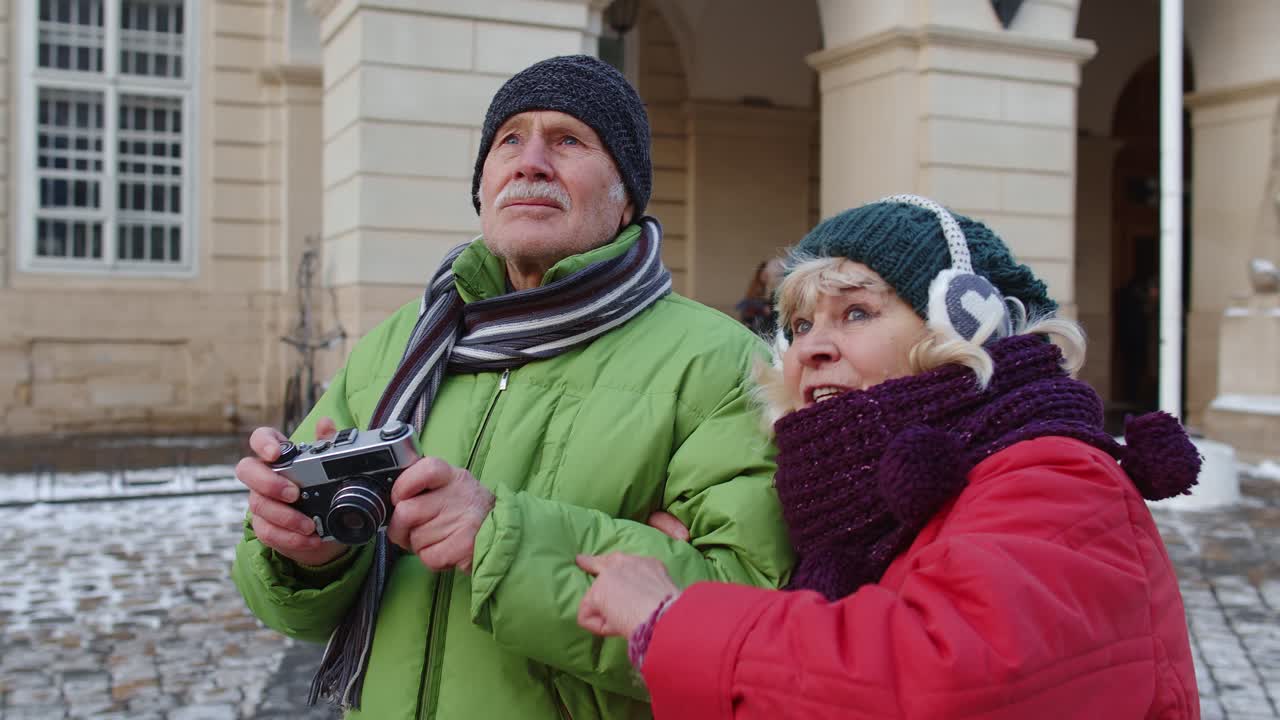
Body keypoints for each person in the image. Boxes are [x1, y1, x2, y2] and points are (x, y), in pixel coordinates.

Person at [230, 55, 792, 719]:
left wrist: (500, 537)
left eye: (569, 141)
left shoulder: (723, 364)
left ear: (626, 197)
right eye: (509, 140)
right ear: (483, 184)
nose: (531, 162)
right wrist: (306, 551)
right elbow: (290, 608)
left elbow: (751, 616)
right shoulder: (398, 346)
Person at [576, 195, 1201, 719]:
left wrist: (675, 619)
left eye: (856, 312)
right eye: (796, 325)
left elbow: (945, 678)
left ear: (966, 323)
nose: (811, 347)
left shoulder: (1052, 473)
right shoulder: (844, 512)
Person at [735, 258, 784, 338]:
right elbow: (743, 309)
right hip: (756, 332)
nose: (766, 275)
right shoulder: (754, 294)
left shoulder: (776, 292)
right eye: (764, 272)